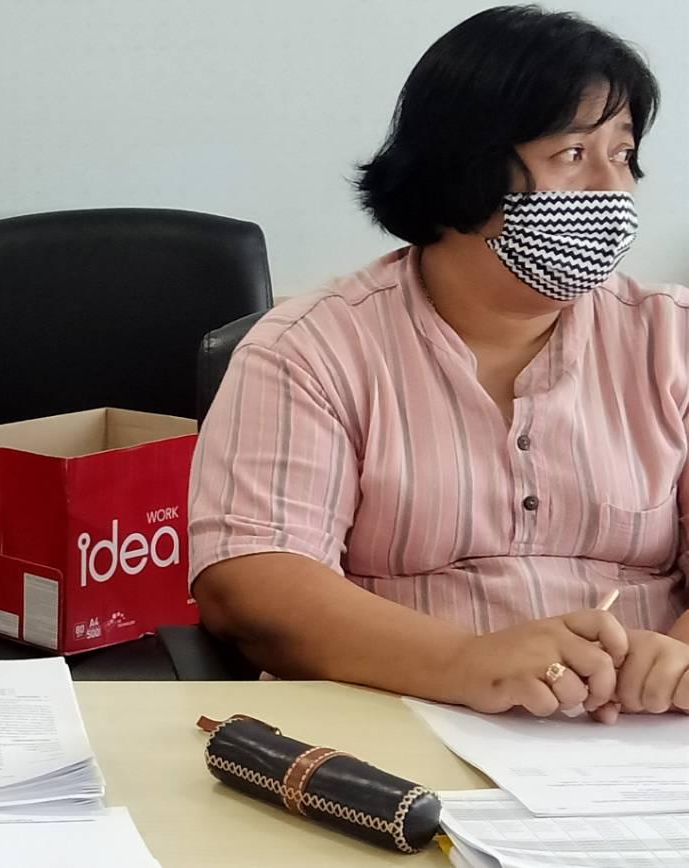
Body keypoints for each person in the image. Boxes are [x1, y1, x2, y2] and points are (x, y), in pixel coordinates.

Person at [190, 6, 681, 722]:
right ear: (466, 170)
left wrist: (677, 659)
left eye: (624, 154)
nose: (613, 189)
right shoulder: (309, 348)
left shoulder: (673, 339)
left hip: (642, 743)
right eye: (574, 154)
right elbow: (251, 584)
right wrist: (467, 664)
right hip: (399, 725)